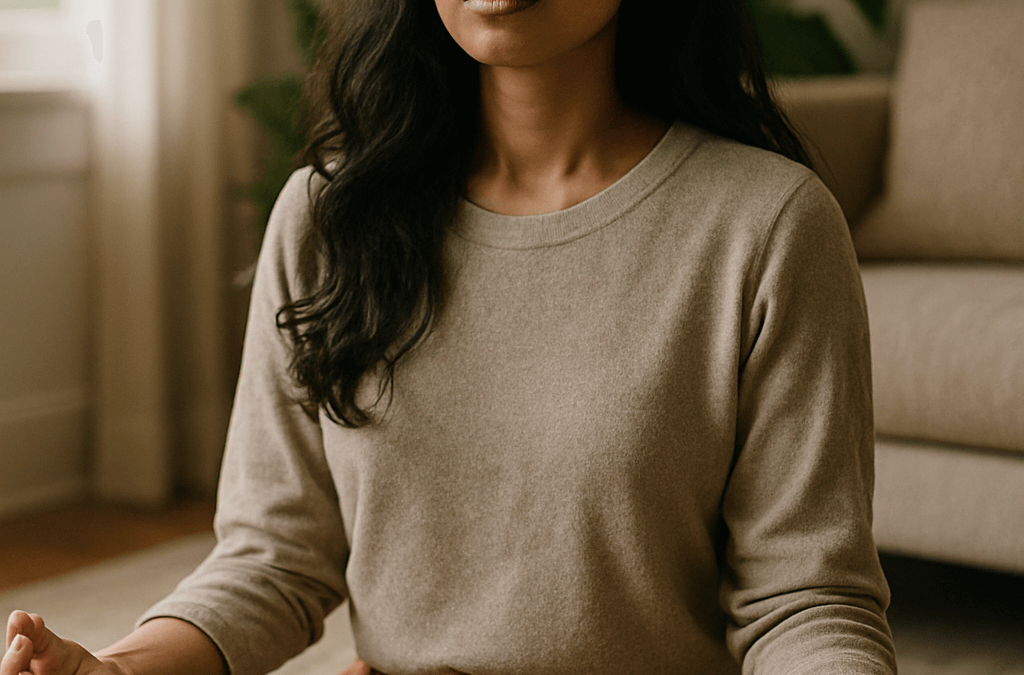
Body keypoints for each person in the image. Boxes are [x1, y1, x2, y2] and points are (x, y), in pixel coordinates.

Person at [3, 0, 899, 673]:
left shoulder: (769, 226)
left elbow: (806, 597)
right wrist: (120, 668)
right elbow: (273, 556)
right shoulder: (327, 218)